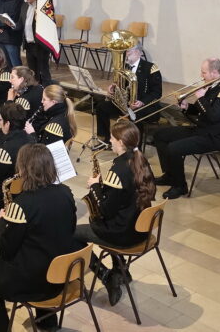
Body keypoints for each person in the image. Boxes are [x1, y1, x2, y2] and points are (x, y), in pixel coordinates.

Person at [0, 143, 79, 332]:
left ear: (24, 169)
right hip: (61, 276)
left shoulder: (22, 204)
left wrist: (1, 222)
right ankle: (47, 320)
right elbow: (69, 230)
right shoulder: (66, 193)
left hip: (34, 284)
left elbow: (6, 249)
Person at [75, 119, 156, 305]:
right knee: (111, 220)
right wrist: (107, 187)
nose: (109, 141)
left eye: (112, 138)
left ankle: (106, 275)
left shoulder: (118, 170)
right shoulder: (140, 160)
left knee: (71, 234)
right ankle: (121, 270)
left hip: (123, 233)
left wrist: (95, 187)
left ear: (121, 142)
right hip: (140, 229)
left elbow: (105, 211)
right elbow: (125, 194)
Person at [154, 58, 220, 199]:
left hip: (212, 137)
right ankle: (170, 175)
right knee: (160, 135)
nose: (201, 75)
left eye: (204, 72)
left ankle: (180, 186)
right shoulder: (212, 85)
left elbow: (213, 117)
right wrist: (187, 108)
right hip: (200, 131)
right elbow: (202, 113)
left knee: (174, 148)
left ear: (215, 72)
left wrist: (201, 99)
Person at [0, 103, 36, 222]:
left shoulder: (3, 151)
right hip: (25, 192)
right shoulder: (31, 139)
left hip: (5, 198)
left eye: (0, 120)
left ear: (8, 123)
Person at [94, 45, 162, 147]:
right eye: (126, 51)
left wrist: (142, 102)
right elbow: (121, 86)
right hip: (126, 104)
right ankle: (106, 140)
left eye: (130, 51)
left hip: (145, 106)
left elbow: (157, 92)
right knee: (101, 107)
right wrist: (113, 88)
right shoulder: (124, 67)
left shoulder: (150, 68)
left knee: (135, 116)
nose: (127, 53)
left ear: (139, 52)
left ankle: (134, 150)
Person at [20, 0, 52, 85]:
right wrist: (10, 24)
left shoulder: (42, 7)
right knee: (33, 73)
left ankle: (48, 93)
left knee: (44, 72)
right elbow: (22, 23)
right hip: (29, 45)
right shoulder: (24, 6)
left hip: (40, 46)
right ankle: (37, 94)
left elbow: (48, 25)